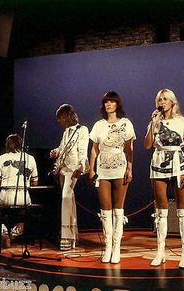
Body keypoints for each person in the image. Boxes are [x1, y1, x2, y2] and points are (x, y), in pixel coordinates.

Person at [144, 88, 184, 268]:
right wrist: (153, 123)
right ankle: (160, 251)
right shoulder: (155, 122)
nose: (162, 102)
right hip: (158, 163)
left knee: (182, 209)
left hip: (178, 163)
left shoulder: (182, 122)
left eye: (165, 99)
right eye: (160, 99)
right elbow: (147, 145)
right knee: (161, 209)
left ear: (172, 102)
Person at [89, 91, 136, 264]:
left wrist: (130, 168)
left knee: (118, 210)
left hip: (120, 168)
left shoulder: (126, 123)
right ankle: (107, 246)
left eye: (112, 102)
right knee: (105, 210)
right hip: (103, 169)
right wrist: (91, 168)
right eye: (106, 102)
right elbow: (94, 148)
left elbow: (130, 148)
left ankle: (116, 248)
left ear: (117, 104)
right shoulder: (99, 125)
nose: (109, 104)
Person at [50, 104, 89, 251]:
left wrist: (81, 167)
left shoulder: (82, 130)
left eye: (60, 118)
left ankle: (66, 237)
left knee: (66, 198)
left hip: (73, 169)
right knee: (69, 200)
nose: (59, 121)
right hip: (63, 169)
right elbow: (62, 148)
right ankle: (73, 236)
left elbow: (83, 150)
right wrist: (55, 151)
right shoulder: (66, 132)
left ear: (66, 116)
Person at [0, 133, 38, 247]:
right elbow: (35, 183)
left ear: (8, 145)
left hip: (6, 195)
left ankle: (4, 232)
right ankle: (15, 234)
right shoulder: (30, 158)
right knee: (23, 211)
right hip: (24, 196)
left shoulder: (3, 157)